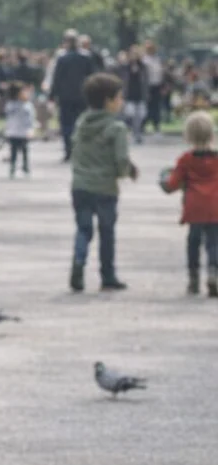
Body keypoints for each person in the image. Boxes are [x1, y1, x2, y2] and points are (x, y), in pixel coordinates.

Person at [69, 72, 138, 292]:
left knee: (83, 229)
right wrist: (125, 172)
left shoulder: (81, 123)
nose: (122, 102)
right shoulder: (117, 128)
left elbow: (75, 149)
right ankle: (107, 275)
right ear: (109, 101)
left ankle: (78, 266)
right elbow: (121, 159)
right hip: (106, 188)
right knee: (106, 231)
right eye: (119, 97)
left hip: (80, 186)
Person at [160, 111, 218, 296]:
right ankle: (213, 272)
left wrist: (164, 181)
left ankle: (193, 279)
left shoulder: (186, 160)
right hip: (215, 206)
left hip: (194, 207)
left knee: (193, 242)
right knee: (214, 243)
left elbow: (173, 184)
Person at [47, 30, 95, 162]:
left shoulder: (62, 58)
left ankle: (69, 150)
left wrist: (52, 95)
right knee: (82, 123)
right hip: (82, 96)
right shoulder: (86, 57)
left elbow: (57, 78)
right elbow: (91, 77)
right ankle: (82, 150)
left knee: (67, 124)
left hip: (66, 96)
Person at [3, 80, 35, 176]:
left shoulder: (26, 105)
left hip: (23, 132)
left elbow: (30, 119)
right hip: (14, 131)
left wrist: (30, 129)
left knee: (24, 150)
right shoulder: (13, 105)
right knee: (14, 150)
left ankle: (25, 166)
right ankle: (13, 166)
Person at [122, 46, 149, 144]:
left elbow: (146, 81)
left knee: (140, 115)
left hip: (140, 94)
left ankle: (138, 133)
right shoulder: (126, 66)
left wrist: (146, 93)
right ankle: (135, 131)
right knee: (130, 114)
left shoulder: (143, 66)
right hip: (129, 94)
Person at [142, 39, 164, 132]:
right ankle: (143, 124)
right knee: (147, 106)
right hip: (148, 86)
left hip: (157, 85)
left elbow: (161, 72)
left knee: (156, 106)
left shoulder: (157, 59)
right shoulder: (144, 60)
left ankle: (156, 124)